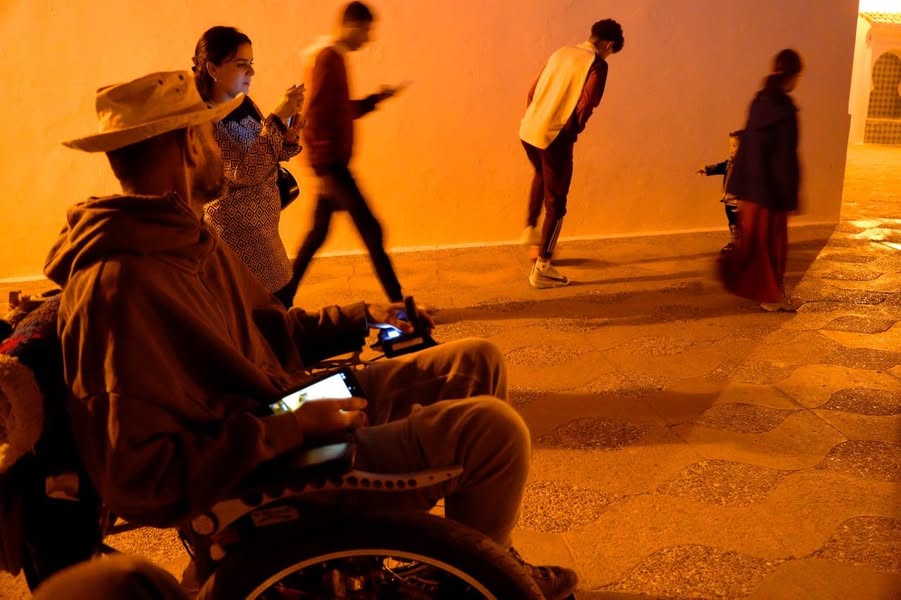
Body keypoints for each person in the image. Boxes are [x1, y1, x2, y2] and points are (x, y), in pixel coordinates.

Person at [46, 70, 578, 600]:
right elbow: (137, 480)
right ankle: (471, 582)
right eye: (209, 135)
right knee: (492, 432)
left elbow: (273, 330)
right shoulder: (117, 285)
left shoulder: (186, 236)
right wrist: (286, 431)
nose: (216, 147)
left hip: (287, 411)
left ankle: (481, 559)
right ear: (189, 144)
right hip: (262, 467)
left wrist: (365, 317)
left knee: (477, 362)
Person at [284, 1, 408, 304]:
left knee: (317, 236)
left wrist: (375, 99)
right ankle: (400, 305)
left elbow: (339, 110)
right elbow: (313, 114)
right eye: (366, 30)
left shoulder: (334, 58)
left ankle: (280, 299)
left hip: (330, 164)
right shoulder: (328, 58)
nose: (368, 38)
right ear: (351, 26)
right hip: (331, 166)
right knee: (372, 230)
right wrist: (320, 170)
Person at [193, 26, 306, 307]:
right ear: (213, 69)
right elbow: (244, 170)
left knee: (282, 298)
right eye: (241, 65)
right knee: (267, 313)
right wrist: (277, 119)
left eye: (251, 64)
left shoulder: (243, 105)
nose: (251, 73)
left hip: (265, 233)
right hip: (238, 242)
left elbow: (265, 152)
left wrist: (287, 134)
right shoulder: (203, 120)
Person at [519, 18, 624, 289]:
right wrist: (571, 132)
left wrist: (535, 116)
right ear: (609, 44)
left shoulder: (561, 52)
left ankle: (530, 231)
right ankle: (542, 267)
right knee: (557, 203)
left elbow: (532, 91)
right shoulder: (597, 64)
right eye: (611, 50)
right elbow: (588, 103)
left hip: (529, 129)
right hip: (555, 136)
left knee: (540, 174)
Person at [719, 49, 803, 312]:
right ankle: (771, 296)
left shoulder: (759, 102)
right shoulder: (783, 109)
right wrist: (788, 193)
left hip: (753, 187)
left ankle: (767, 293)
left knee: (757, 245)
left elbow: (750, 147)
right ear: (793, 76)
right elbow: (784, 155)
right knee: (773, 246)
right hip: (772, 190)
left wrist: (742, 185)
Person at [697, 129, 743, 253]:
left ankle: (742, 244)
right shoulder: (729, 164)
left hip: (740, 202)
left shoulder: (746, 166)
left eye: (734, 146)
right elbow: (719, 167)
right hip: (729, 200)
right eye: (729, 145)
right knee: (732, 223)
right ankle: (736, 243)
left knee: (740, 224)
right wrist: (707, 170)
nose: (731, 148)